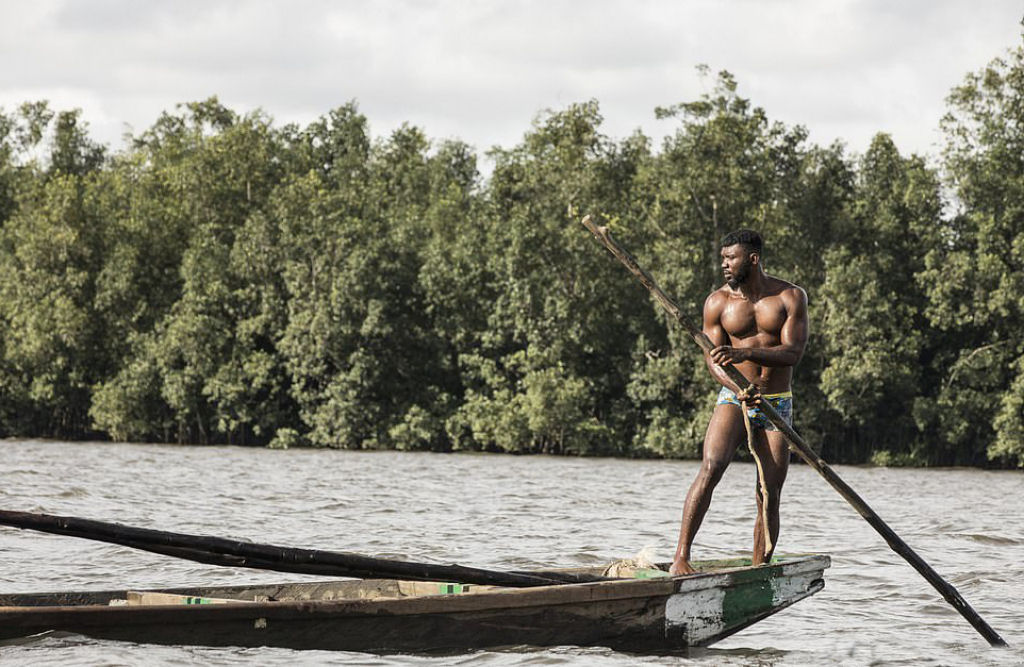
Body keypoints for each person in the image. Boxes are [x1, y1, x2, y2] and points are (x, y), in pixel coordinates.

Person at [669, 229, 808, 576]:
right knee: (712, 466)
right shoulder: (717, 303)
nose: (725, 265)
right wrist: (735, 383)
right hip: (735, 395)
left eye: (731, 259)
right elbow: (713, 359)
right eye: (723, 259)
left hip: (776, 401)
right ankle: (681, 557)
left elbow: (792, 353)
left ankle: (760, 563)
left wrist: (744, 351)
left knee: (768, 488)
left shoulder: (790, 297)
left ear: (753, 259)